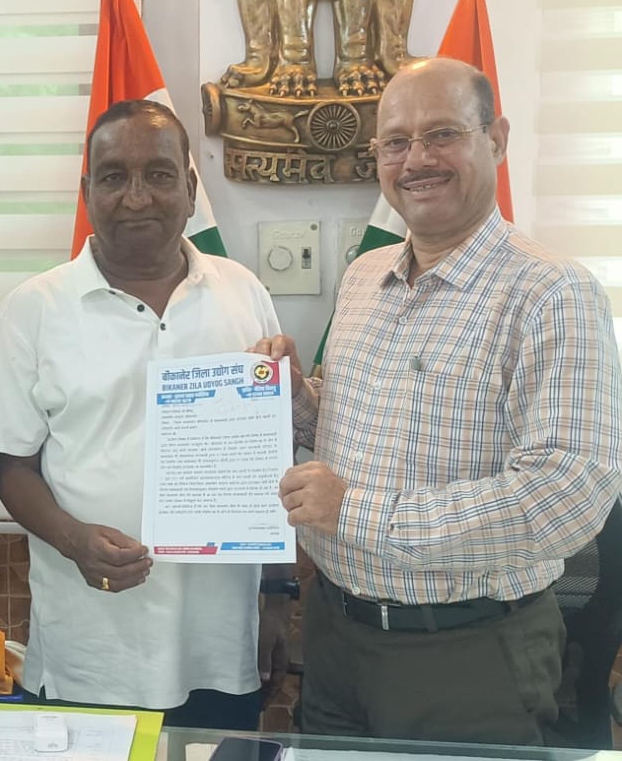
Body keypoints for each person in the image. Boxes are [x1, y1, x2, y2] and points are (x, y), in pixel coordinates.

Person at [254, 57, 622, 744]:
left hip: (466, 653)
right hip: (334, 634)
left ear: (497, 139)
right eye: (395, 142)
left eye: (442, 134)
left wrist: (354, 511)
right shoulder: (365, 277)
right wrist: (295, 396)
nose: (417, 159)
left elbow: (566, 495)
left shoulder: (552, 293)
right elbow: (358, 420)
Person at [0, 100, 280, 729]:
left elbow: (270, 463)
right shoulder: (32, 310)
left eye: (159, 175)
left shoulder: (244, 293)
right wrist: (73, 540)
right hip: (90, 648)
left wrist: (278, 602)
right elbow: (13, 467)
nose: (137, 197)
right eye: (115, 176)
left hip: (218, 644)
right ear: (87, 191)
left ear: (191, 188)